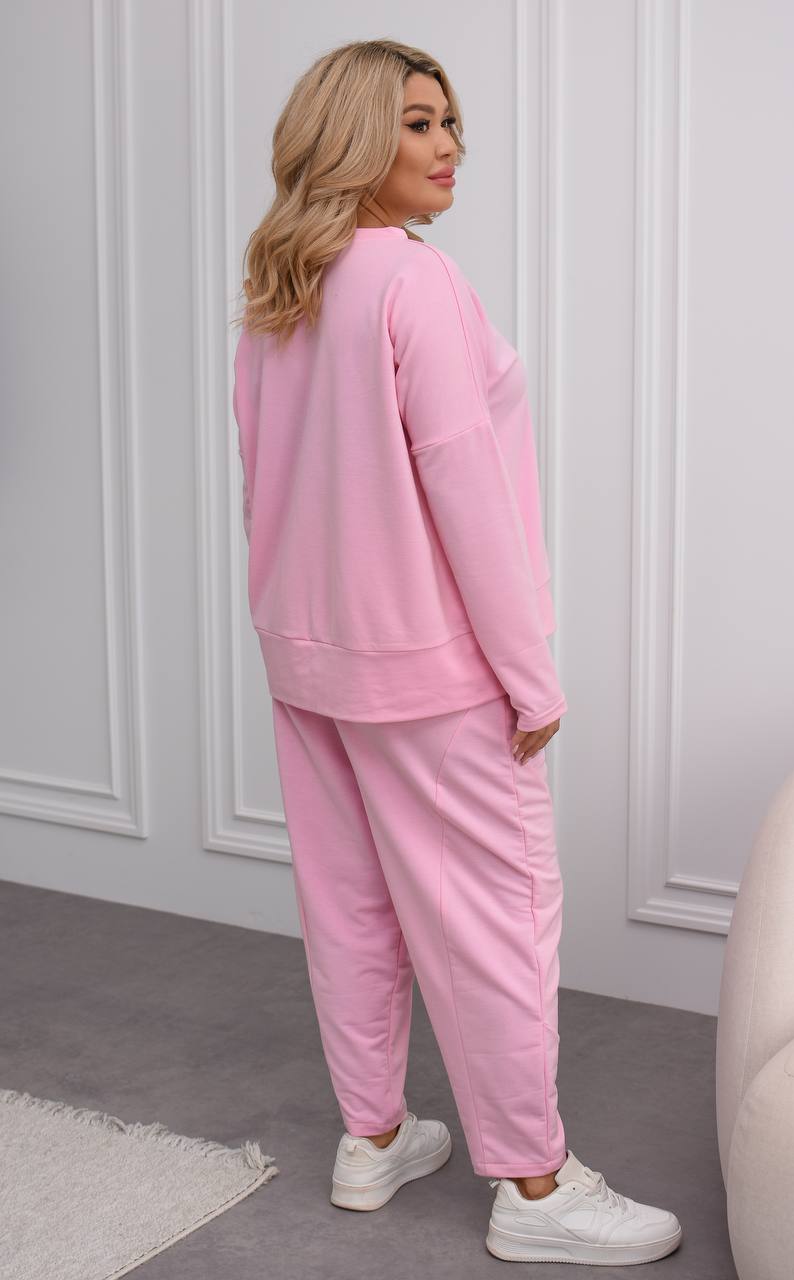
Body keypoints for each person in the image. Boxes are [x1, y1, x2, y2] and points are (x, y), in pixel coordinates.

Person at [231, 37, 682, 1267]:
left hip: (307, 652)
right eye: (420, 122)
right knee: (496, 916)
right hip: (428, 666)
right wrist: (527, 675)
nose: (449, 147)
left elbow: (261, 479)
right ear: (351, 136)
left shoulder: (283, 283)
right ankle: (534, 1186)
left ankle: (372, 1135)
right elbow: (463, 488)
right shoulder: (412, 281)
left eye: (449, 122)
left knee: (350, 904)